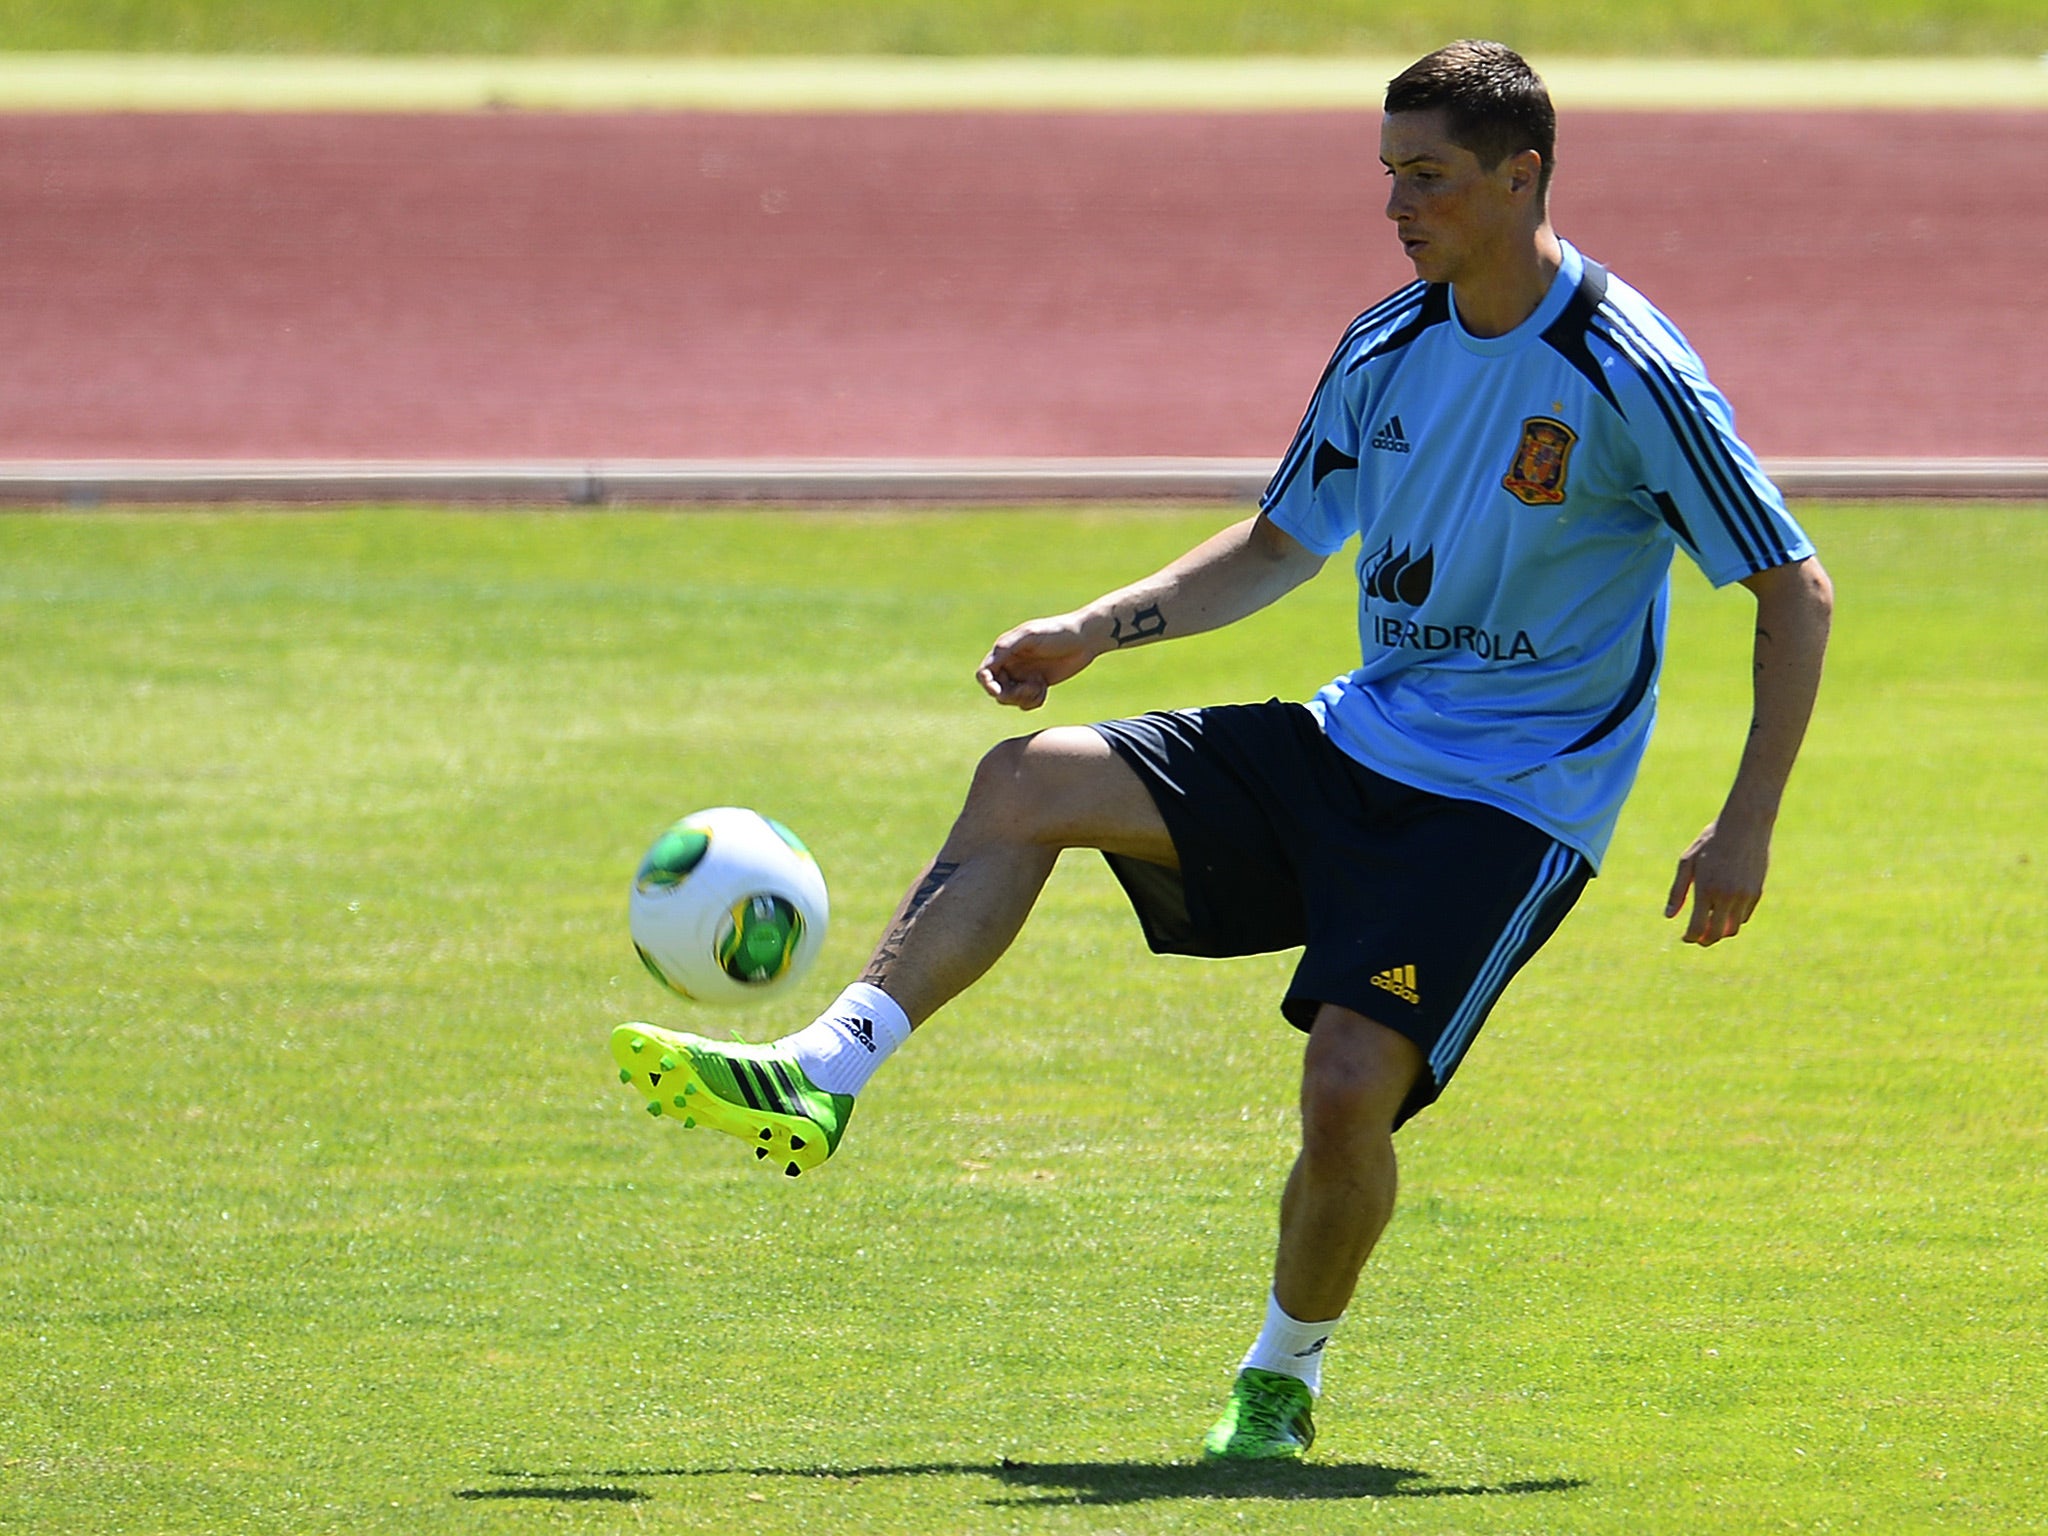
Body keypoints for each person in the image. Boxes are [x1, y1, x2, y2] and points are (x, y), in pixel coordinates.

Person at [612, 39, 1833, 1462]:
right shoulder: (1388, 344)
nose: (1397, 205)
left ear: (1524, 176)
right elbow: (1276, 547)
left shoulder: (1626, 370)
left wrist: (1745, 823)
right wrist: (1096, 628)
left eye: (1427, 177)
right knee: (1031, 781)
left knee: (1343, 1088)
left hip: (1506, 809)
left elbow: (1789, 588)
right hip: (1353, 744)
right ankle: (826, 1070)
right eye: (1388, 175)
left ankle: (1282, 1376)